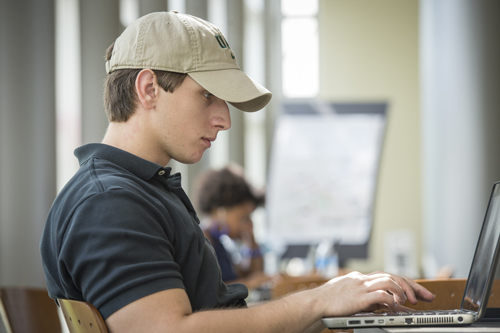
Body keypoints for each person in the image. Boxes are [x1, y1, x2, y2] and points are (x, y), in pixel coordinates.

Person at [40, 11, 434, 333]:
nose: (224, 119)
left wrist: (326, 307)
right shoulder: (110, 202)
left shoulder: (140, 190)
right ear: (148, 89)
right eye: (207, 95)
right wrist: (319, 300)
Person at [194, 164, 271, 289]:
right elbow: (210, 289)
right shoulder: (201, 240)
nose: (248, 224)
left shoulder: (223, 244)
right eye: (244, 217)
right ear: (221, 212)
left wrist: (251, 239)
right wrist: (250, 283)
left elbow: (251, 275)